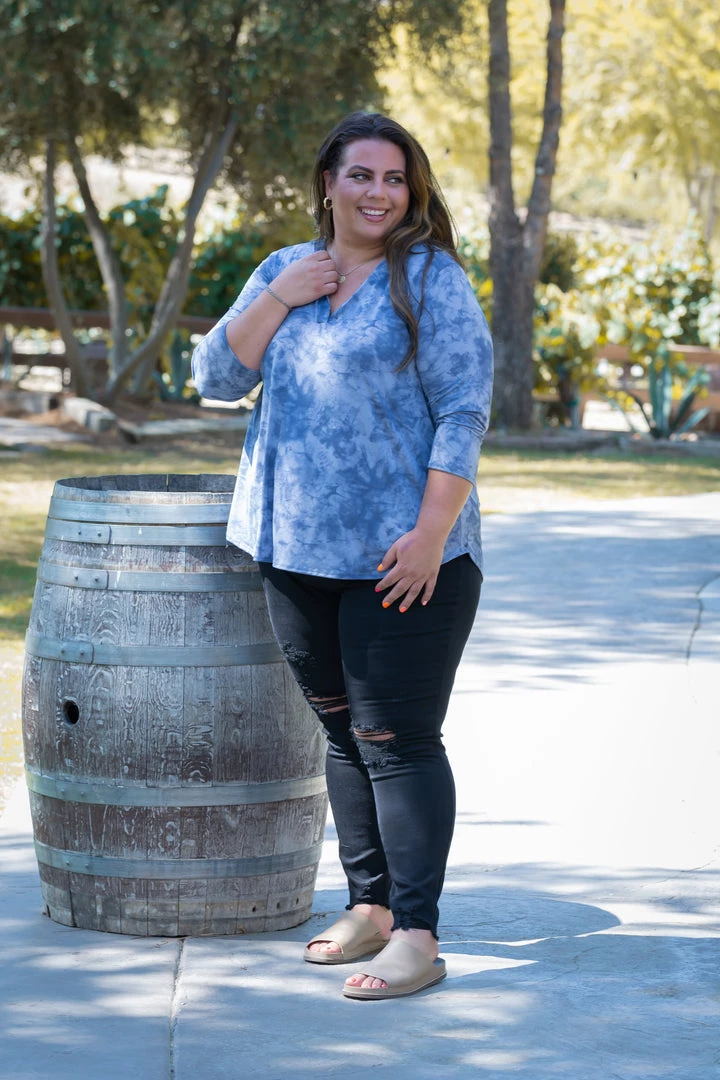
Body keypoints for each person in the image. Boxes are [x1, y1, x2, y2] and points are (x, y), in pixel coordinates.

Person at [191, 112, 493, 1000]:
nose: (378, 193)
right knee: (343, 734)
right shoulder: (283, 270)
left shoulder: (431, 279)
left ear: (412, 192)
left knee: (397, 742)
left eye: (395, 179)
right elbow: (215, 378)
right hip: (293, 551)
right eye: (361, 175)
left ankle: (419, 935)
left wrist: (431, 534)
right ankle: (370, 908)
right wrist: (281, 295)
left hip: (405, 558)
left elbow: (464, 412)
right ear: (328, 182)